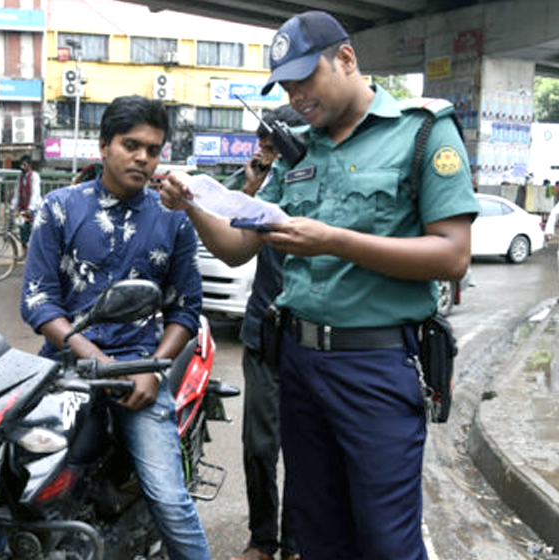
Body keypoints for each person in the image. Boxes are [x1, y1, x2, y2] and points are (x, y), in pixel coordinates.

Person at [160, 11, 477, 560]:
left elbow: (452, 254)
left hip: (375, 366)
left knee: (385, 540)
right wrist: (191, 203)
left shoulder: (422, 130)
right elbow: (238, 249)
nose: (296, 95)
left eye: (306, 78)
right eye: (286, 85)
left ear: (347, 59)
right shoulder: (299, 150)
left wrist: (334, 240)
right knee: (316, 534)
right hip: (300, 367)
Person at [20, 95, 211, 560]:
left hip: (138, 376)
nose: (143, 157)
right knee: (12, 478)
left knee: (168, 497)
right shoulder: (59, 208)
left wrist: (154, 370)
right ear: (104, 146)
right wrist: (95, 360)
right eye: (131, 145)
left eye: (153, 148)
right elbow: (38, 300)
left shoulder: (174, 219)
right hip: (62, 370)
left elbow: (186, 308)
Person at [230, 106, 305, 560]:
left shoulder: (313, 186)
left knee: (301, 450)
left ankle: (296, 543)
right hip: (262, 333)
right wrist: (251, 187)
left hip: (304, 336)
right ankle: (262, 540)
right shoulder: (260, 189)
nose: (265, 156)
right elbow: (237, 243)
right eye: (261, 148)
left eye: (273, 149)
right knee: (259, 446)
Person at [11, 154, 41, 246]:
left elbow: (35, 193)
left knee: (33, 232)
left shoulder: (34, 176)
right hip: (23, 208)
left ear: (29, 165)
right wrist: (12, 206)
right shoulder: (20, 177)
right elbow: (17, 193)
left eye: (24, 165)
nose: (22, 167)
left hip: (34, 208)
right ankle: (24, 254)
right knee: (22, 230)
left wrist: (30, 208)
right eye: (21, 165)